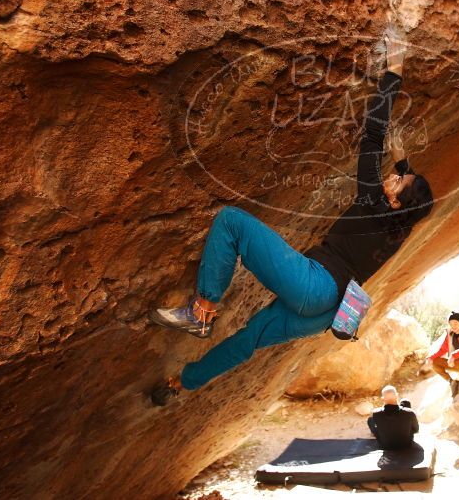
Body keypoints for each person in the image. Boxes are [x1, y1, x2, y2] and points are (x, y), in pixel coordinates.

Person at [149, 35, 434, 405]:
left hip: (314, 285)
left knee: (231, 221)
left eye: (396, 181)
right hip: (324, 314)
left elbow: (373, 132)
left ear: (394, 199)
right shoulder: (401, 227)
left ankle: (201, 311)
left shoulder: (371, 199)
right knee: (249, 339)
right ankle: (180, 384)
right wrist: (403, 166)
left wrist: (394, 71)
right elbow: (413, 199)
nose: (388, 178)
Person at [427, 311, 459, 397]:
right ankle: (452, 382)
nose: (453, 326)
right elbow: (443, 349)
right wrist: (431, 358)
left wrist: (454, 355)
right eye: (451, 324)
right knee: (435, 362)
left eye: (455, 323)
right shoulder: (450, 334)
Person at [367, 385, 419, 450]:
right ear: (396, 395)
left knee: (370, 420)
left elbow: (373, 425)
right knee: (406, 402)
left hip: (385, 445)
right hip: (406, 444)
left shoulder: (375, 413)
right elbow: (416, 430)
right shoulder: (410, 412)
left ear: (383, 398)